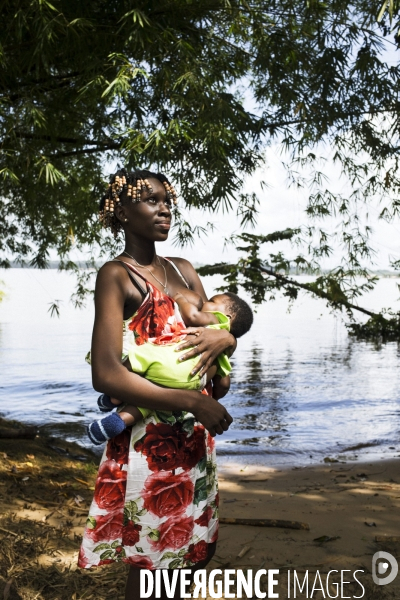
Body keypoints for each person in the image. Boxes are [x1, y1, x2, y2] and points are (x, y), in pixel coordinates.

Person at [78, 169, 237, 600]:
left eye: (167, 200)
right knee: (155, 560)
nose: (164, 208)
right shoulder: (117, 275)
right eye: (150, 200)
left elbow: (216, 372)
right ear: (122, 212)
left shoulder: (184, 271)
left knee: (198, 551)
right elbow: (107, 373)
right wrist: (190, 400)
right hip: (153, 444)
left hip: (197, 436)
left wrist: (228, 339)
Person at [87, 289, 253, 444]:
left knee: (142, 356)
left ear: (228, 317)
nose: (206, 302)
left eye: (212, 300)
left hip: (176, 363)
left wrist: (179, 298)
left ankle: (114, 397)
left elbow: (192, 316)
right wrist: (215, 397)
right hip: (192, 383)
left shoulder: (217, 319)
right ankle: (118, 421)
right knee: (149, 401)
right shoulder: (224, 352)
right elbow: (224, 384)